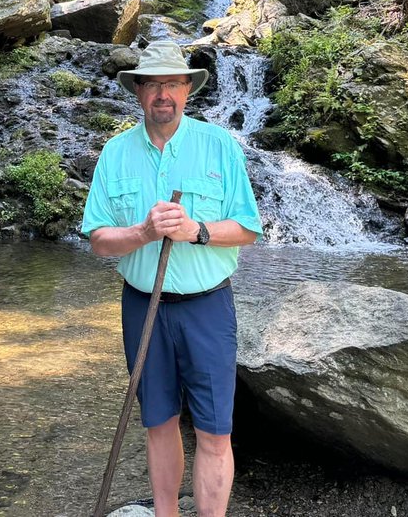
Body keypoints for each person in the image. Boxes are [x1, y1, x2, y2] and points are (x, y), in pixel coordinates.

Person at [82, 40, 262, 517]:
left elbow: (247, 229)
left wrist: (196, 230)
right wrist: (143, 232)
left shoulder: (219, 146)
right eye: (153, 84)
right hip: (142, 306)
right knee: (158, 422)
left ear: (188, 89)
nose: (163, 93)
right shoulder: (115, 154)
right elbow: (99, 239)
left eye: (173, 83)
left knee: (214, 429)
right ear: (138, 91)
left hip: (207, 307)